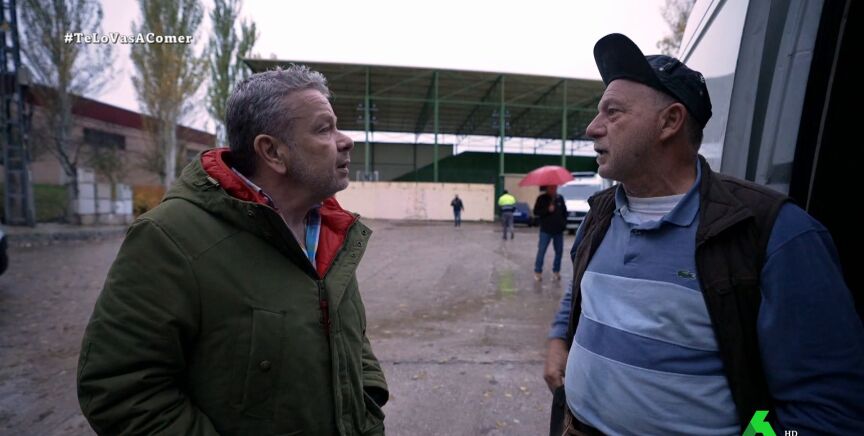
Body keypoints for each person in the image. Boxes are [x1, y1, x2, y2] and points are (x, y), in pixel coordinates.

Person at [544, 33, 864, 435]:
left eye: (613, 112)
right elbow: (582, 289)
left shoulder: (775, 233)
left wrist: (758, 433)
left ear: (670, 122)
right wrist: (559, 337)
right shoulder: (601, 214)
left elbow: (824, 408)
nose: (593, 128)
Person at [77, 66, 389, 435]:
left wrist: (367, 401)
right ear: (272, 151)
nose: (345, 140)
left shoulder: (330, 230)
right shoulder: (170, 237)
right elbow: (122, 390)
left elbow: (350, 335)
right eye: (324, 129)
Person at [532, 185, 567, 282]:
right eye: (551, 188)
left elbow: (564, 212)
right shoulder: (541, 198)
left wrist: (563, 224)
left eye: (555, 187)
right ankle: (538, 272)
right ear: (547, 188)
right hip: (545, 230)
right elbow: (536, 212)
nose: (554, 189)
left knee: (559, 252)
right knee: (541, 251)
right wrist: (547, 210)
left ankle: (556, 271)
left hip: (558, 231)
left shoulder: (560, 198)